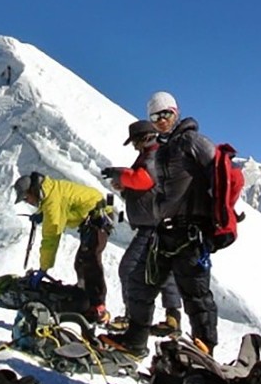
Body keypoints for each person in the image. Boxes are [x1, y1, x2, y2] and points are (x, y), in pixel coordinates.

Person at [101, 91, 220, 357]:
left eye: (165, 114)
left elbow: (220, 172)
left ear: (175, 112)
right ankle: (135, 340)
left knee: (196, 294)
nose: (161, 120)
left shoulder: (191, 142)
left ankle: (205, 352)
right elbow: (159, 190)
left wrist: (218, 218)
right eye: (155, 116)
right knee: (142, 282)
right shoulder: (164, 149)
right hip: (164, 230)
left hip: (190, 231)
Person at [103, 119, 185, 337]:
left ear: (145, 138)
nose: (134, 146)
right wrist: (125, 188)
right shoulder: (154, 154)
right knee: (163, 271)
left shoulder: (154, 154)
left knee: (129, 269)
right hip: (157, 223)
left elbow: (144, 180)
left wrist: (119, 174)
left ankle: (132, 318)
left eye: (135, 142)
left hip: (152, 225)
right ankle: (172, 317)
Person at [13, 171, 117, 321]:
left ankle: (98, 307)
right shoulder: (49, 190)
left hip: (99, 218)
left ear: (33, 191)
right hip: (91, 219)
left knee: (90, 260)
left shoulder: (52, 203)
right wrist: (42, 213)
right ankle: (85, 296)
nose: (27, 202)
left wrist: (43, 268)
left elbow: (51, 238)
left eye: (26, 198)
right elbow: (57, 201)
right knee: (81, 262)